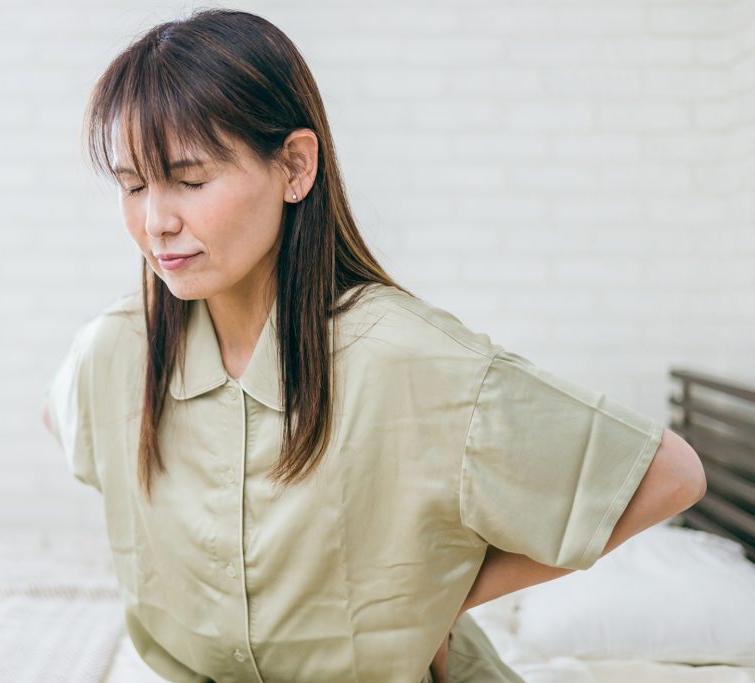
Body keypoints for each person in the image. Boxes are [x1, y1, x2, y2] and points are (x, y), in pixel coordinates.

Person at [42, 8, 707, 682]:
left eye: (190, 181)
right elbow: (59, 417)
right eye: (132, 185)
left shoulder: (405, 359)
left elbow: (670, 475)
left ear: (295, 167)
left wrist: (438, 598)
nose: (156, 220)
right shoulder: (115, 351)